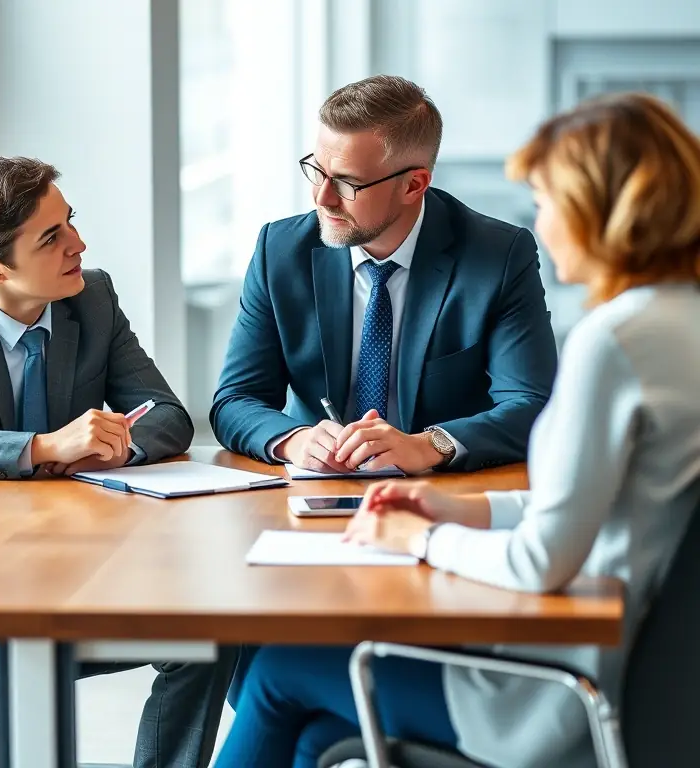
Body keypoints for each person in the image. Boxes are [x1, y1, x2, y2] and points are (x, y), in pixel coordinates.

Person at [213, 91, 700, 768]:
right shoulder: (680, 322)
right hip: (644, 666)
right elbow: (603, 499)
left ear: (599, 212)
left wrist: (422, 533)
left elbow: (539, 557)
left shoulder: (614, 340)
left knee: (278, 673)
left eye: (549, 199)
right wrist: (461, 508)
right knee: (316, 735)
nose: (542, 218)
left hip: (552, 687)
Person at [0, 156, 235, 768]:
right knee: (17, 668)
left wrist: (119, 441)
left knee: (208, 637)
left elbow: (167, 416)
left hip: (58, 563)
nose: (78, 245)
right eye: (52, 237)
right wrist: (44, 447)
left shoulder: (92, 299)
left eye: (71, 223)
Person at [210, 74, 557, 478]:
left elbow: (532, 405)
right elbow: (236, 399)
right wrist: (296, 440)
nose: (322, 198)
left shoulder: (497, 255)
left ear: (414, 185)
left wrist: (429, 444)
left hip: (444, 494)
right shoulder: (281, 250)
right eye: (317, 171)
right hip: (315, 486)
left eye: (346, 183)